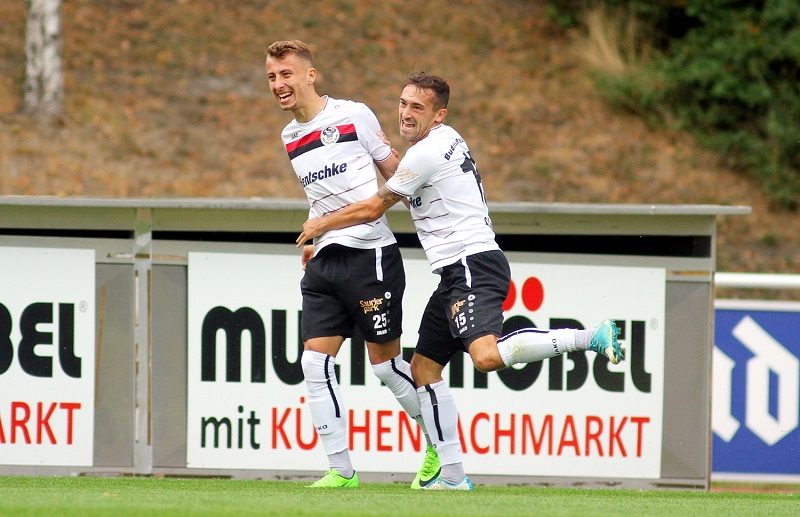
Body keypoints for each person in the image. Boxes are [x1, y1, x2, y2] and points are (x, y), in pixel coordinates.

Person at [296, 72, 625, 491]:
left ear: (439, 114)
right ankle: (451, 476)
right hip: (454, 272)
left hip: (472, 264)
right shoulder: (445, 139)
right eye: (402, 103)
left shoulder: (426, 154)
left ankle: (590, 338)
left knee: (485, 356)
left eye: (417, 107)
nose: (406, 113)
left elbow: (373, 207)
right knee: (423, 369)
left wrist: (320, 225)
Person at [265, 41, 440, 489]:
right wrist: (318, 238)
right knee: (312, 364)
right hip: (325, 260)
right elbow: (318, 196)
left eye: (286, 74)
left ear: (310, 75)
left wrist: (439, 219)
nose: (279, 84)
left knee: (385, 367)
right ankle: (341, 471)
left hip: (370, 255)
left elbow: (397, 174)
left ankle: (442, 442)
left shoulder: (353, 115)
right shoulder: (289, 136)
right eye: (272, 77)